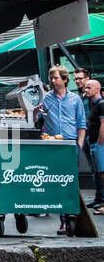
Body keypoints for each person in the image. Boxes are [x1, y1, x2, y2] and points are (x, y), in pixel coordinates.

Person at [36, 66, 87, 234]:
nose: (52, 81)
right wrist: (36, 110)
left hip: (71, 143)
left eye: (56, 78)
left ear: (65, 79)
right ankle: (64, 220)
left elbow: (81, 124)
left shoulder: (75, 99)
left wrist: (79, 144)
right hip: (53, 144)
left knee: (72, 181)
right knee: (58, 181)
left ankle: (73, 216)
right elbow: (38, 121)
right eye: (51, 78)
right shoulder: (46, 99)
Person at [82, 78, 104, 214]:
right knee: (99, 172)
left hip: (99, 144)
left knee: (102, 173)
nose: (86, 90)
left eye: (89, 87)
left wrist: (100, 143)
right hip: (93, 143)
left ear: (97, 89)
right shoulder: (93, 104)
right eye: (85, 87)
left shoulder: (101, 104)